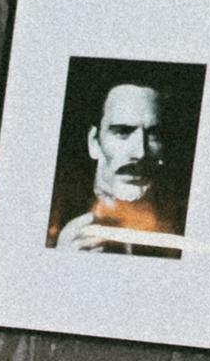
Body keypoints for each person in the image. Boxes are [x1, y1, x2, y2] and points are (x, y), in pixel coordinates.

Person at [50, 76, 186, 254]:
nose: (140, 153)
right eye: (122, 132)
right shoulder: (52, 218)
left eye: (153, 134)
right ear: (94, 142)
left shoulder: (180, 226)